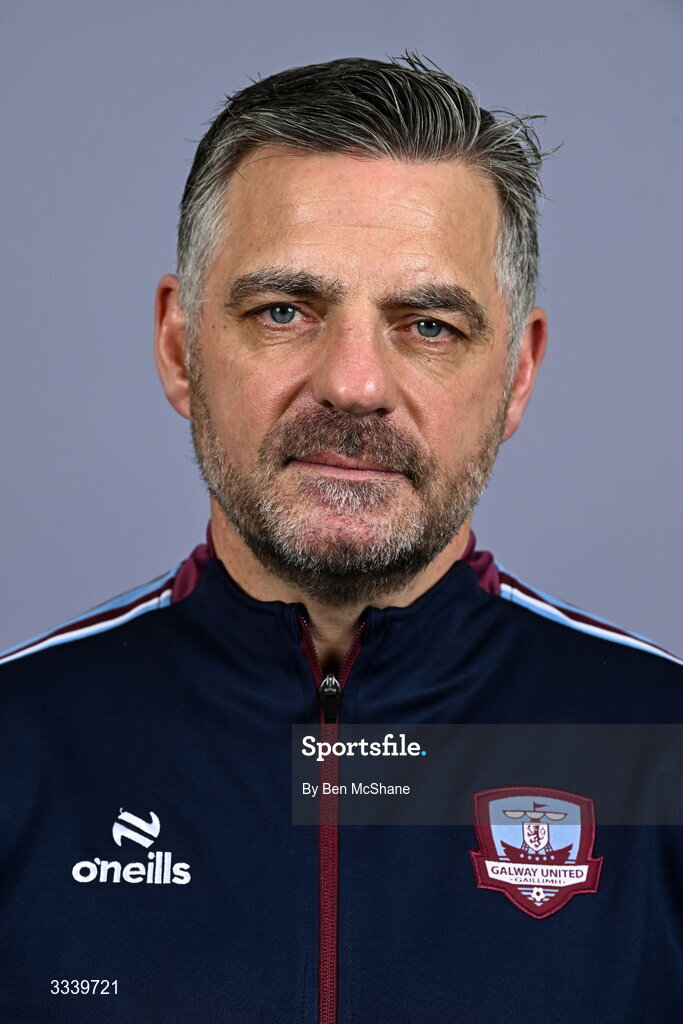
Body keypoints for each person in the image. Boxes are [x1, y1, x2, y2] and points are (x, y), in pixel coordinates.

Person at [1, 53, 681, 1024]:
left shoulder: (657, 749)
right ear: (180, 348)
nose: (353, 385)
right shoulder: (20, 746)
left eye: (429, 325)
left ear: (516, 377)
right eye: (284, 311)